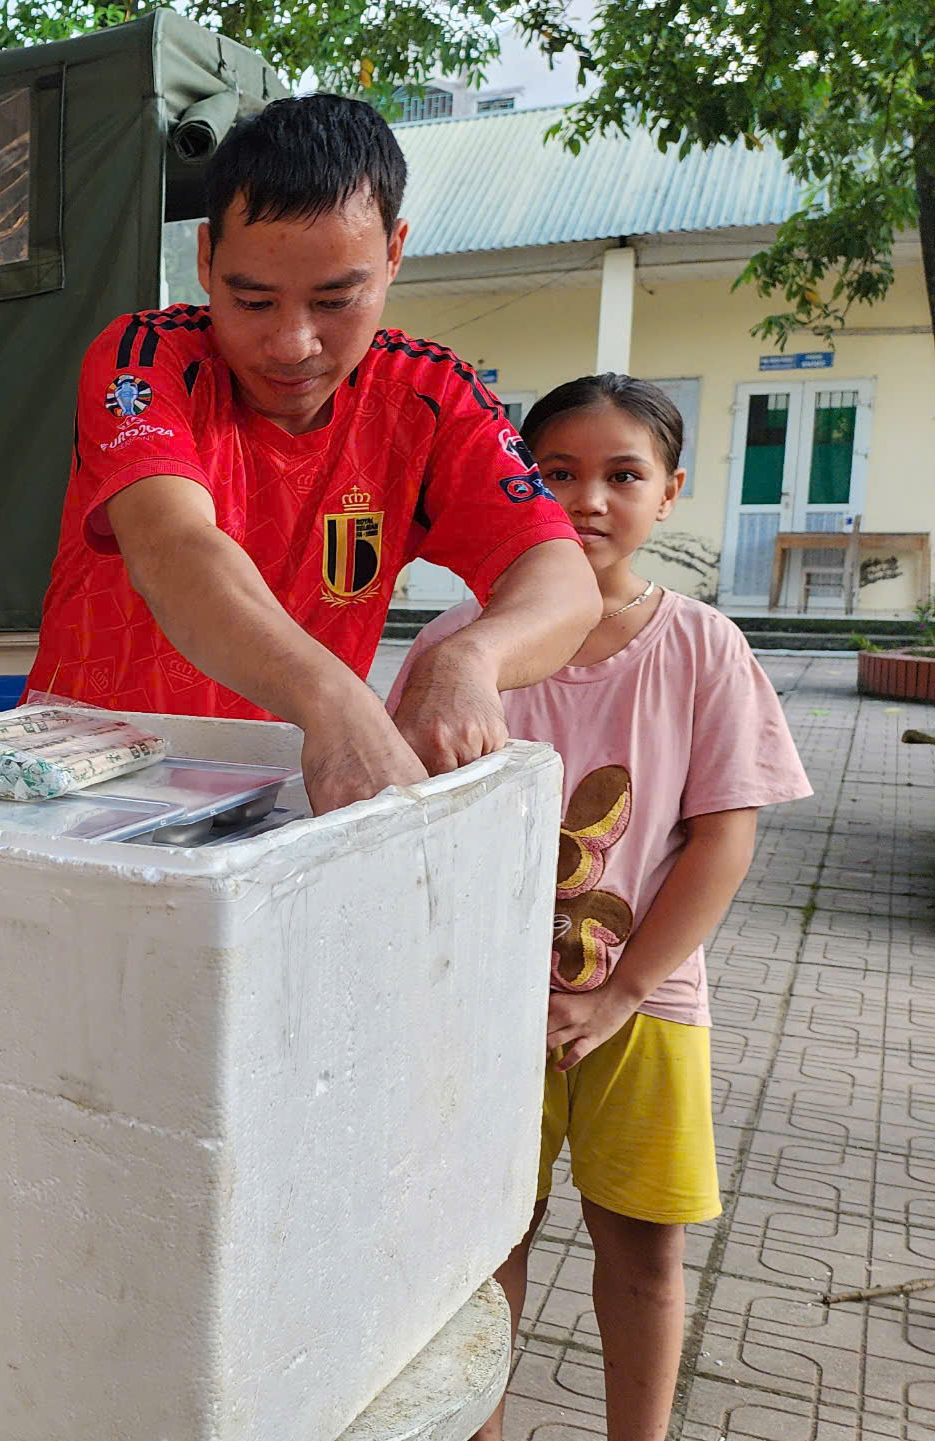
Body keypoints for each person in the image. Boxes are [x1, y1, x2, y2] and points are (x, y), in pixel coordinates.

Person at [392, 375, 809, 1441]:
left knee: (643, 1248)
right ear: (512, 484)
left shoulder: (701, 646)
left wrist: (621, 992)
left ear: (668, 492)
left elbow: (723, 836)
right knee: (482, 1249)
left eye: (622, 474)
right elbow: (406, 830)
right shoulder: (457, 651)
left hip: (643, 1008)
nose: (587, 499)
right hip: (481, 1015)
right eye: (555, 472)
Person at [24, 95, 599, 813]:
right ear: (206, 257)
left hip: (286, 800)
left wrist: (470, 659)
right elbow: (173, 547)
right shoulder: (145, 360)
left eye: (334, 301)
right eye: (255, 301)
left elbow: (562, 577)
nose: (293, 344)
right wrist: (333, 698)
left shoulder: (430, 395)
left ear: (393, 255)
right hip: (77, 788)